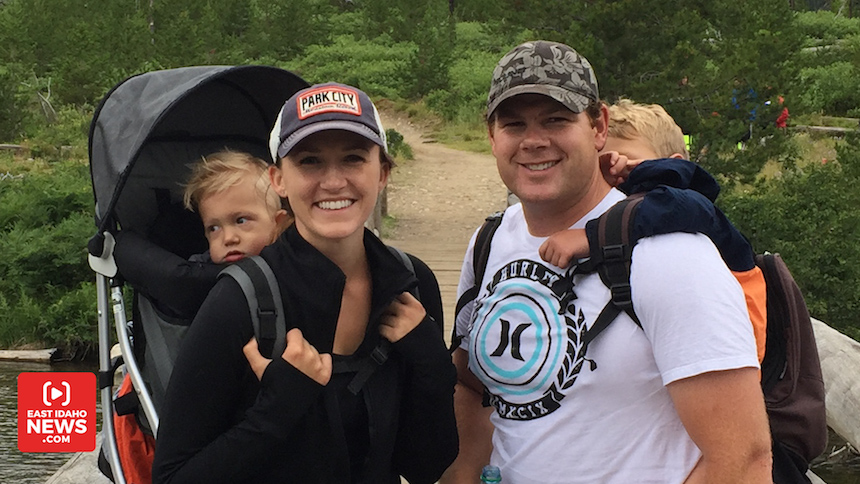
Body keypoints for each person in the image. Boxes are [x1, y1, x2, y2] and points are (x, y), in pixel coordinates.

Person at [446, 41, 771, 483]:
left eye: (556, 120)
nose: (534, 140)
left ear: (598, 125)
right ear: (492, 136)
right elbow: (472, 386)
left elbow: (744, 460)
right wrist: (465, 469)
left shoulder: (670, 253)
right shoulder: (489, 240)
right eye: (514, 124)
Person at [152, 82, 458, 484]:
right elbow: (172, 477)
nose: (333, 182)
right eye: (310, 161)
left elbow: (424, 466)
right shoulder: (241, 301)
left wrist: (432, 363)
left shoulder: (410, 284)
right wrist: (276, 411)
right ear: (278, 180)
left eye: (353, 158)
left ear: (382, 173)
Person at [539, 99, 768, 364]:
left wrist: (590, 236)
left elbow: (677, 205)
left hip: (733, 350)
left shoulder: (687, 200)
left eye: (627, 159)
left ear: (674, 166)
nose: (616, 169)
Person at [114, 149, 290, 320]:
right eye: (214, 228)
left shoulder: (297, 266)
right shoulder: (198, 272)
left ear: (279, 223)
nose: (228, 238)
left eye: (241, 221)